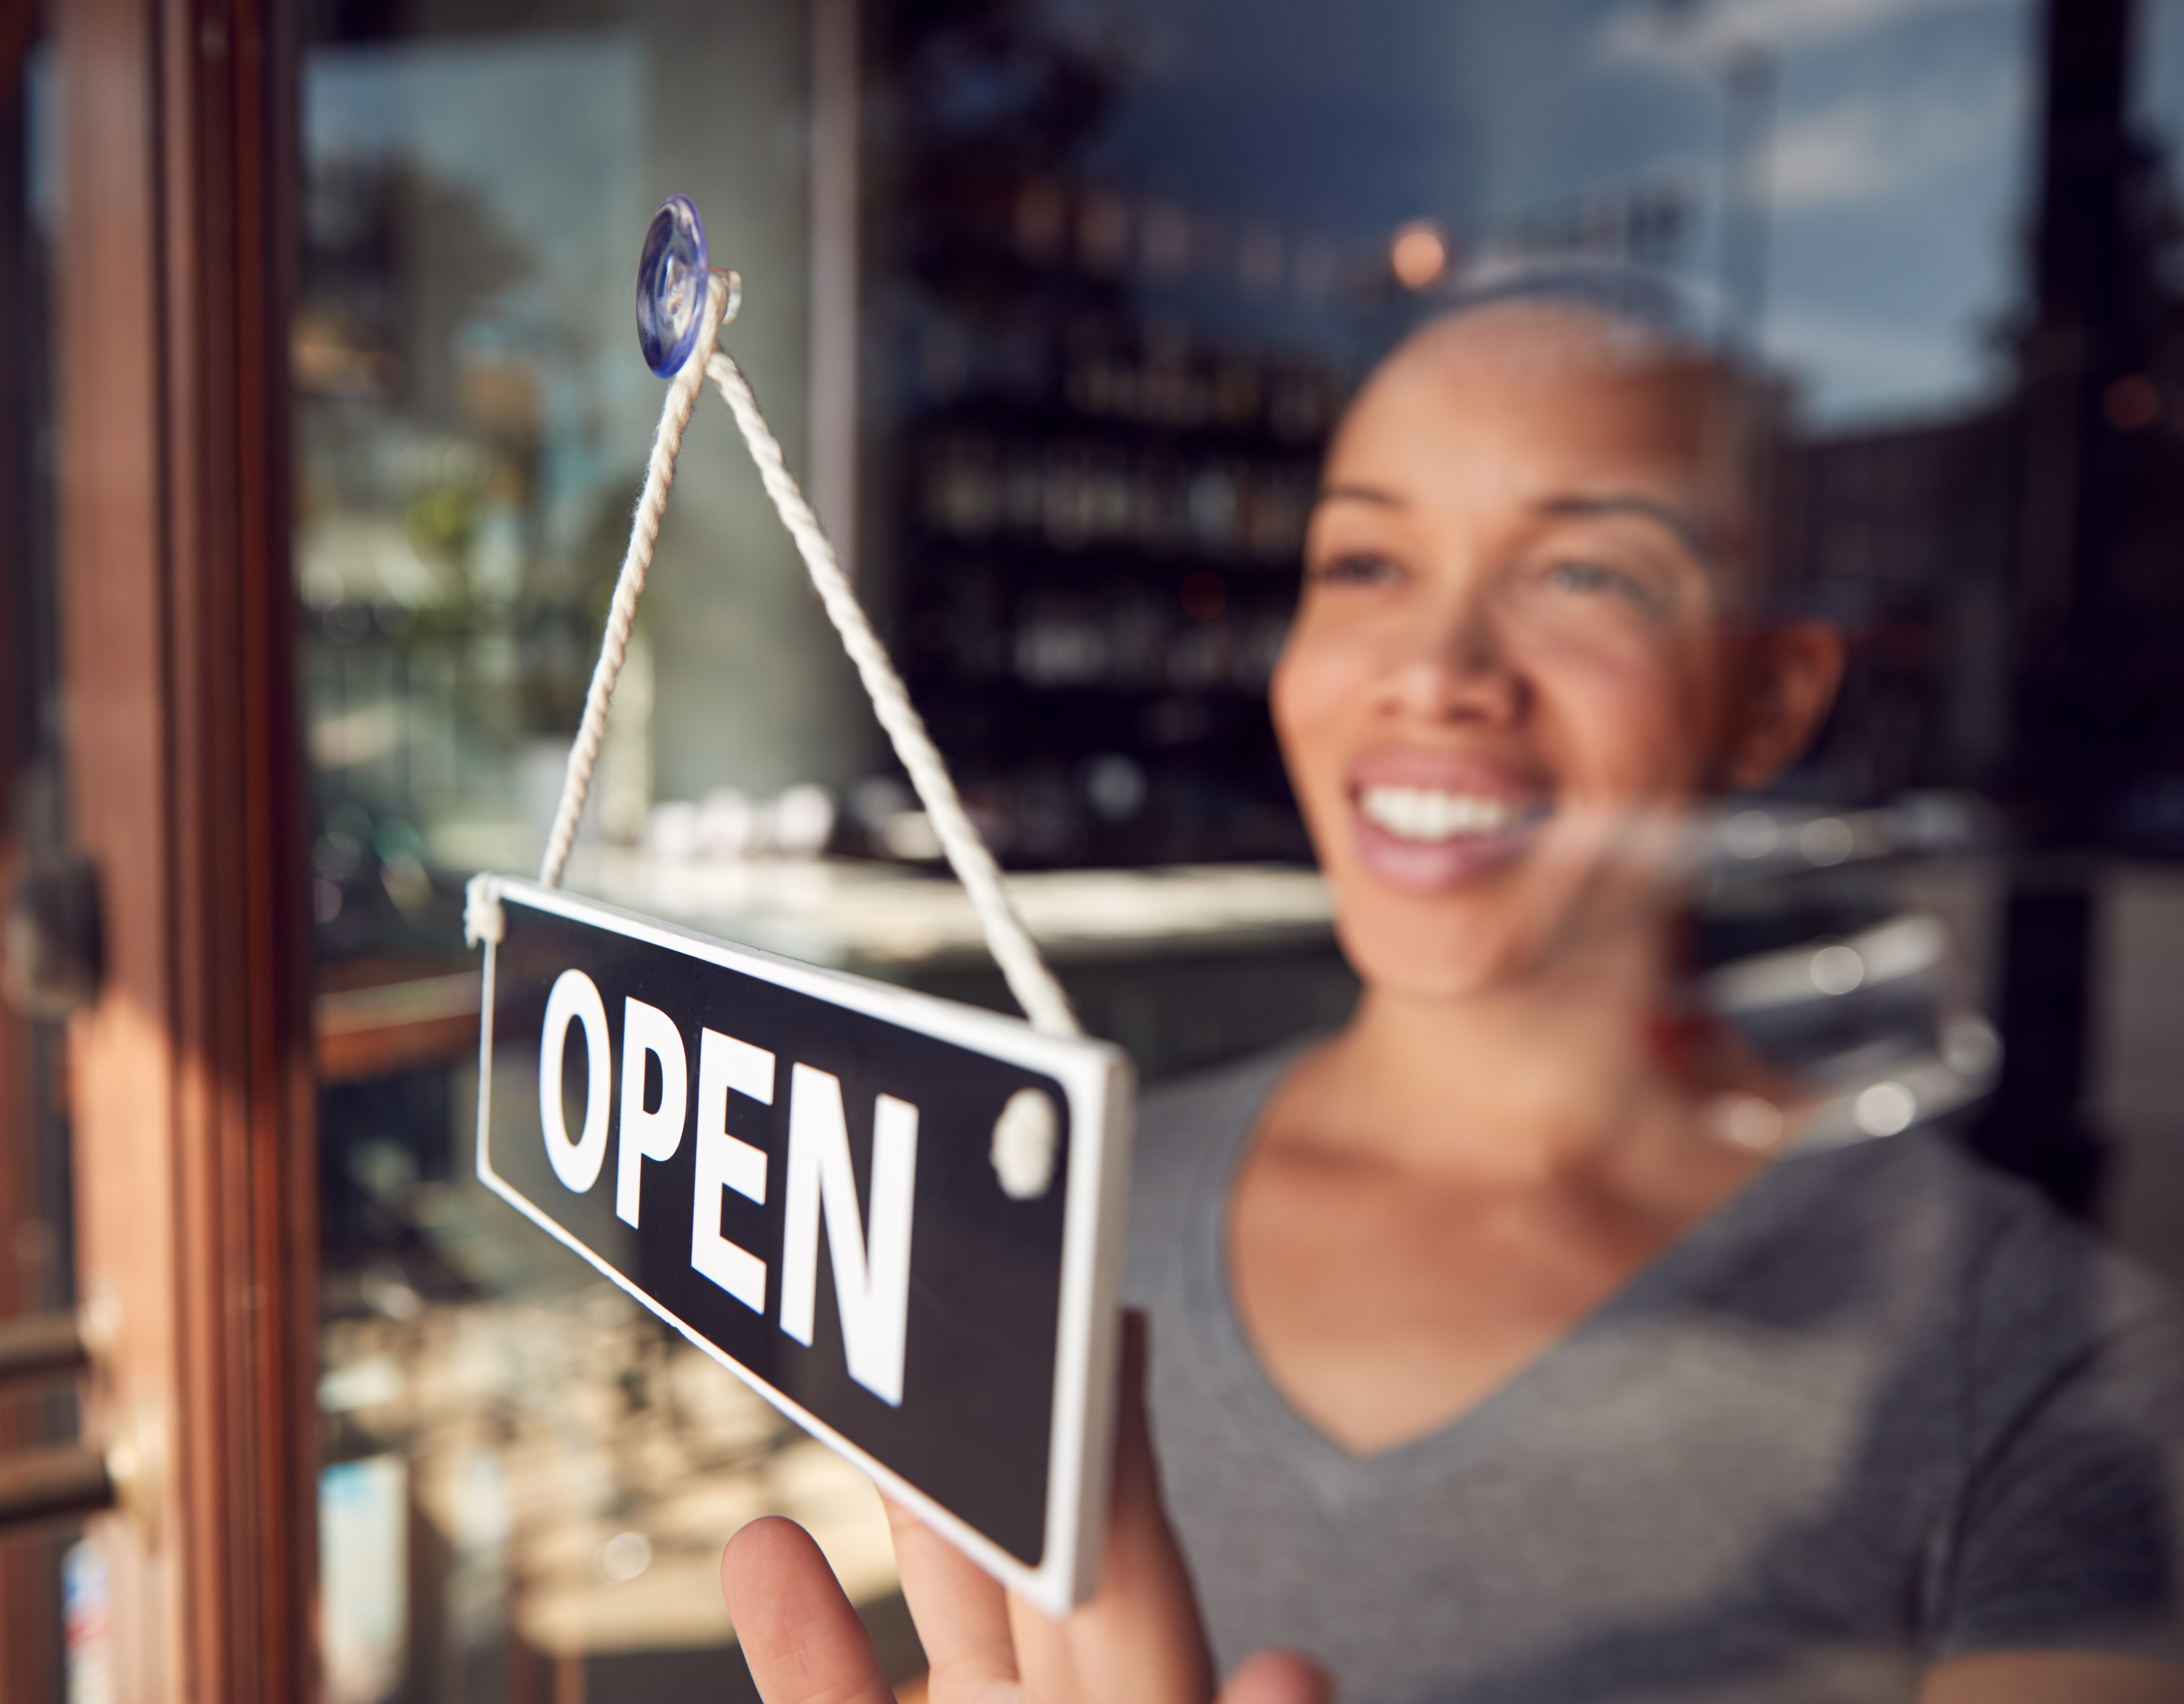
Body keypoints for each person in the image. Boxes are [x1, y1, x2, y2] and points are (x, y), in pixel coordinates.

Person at [720, 296, 2184, 1704]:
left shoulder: (2051, 1371)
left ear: (1772, 696)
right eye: (1366, 564)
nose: (1433, 673)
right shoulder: (1060, 1211)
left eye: (1584, 575)